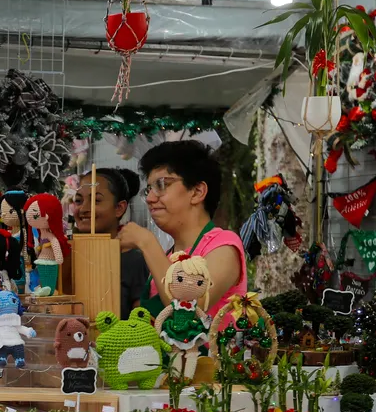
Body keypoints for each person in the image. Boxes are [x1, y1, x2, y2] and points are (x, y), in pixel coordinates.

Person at [118, 140, 246, 328]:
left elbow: (188, 310)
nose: (151, 199)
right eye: (149, 189)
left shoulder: (224, 246)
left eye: (162, 185)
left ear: (197, 192)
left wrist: (146, 241)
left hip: (206, 358)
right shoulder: (168, 256)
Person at [73, 167, 148, 315]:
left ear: (119, 208)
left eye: (96, 200)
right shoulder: (65, 255)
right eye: (78, 200)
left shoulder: (135, 260)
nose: (83, 208)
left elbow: (141, 323)